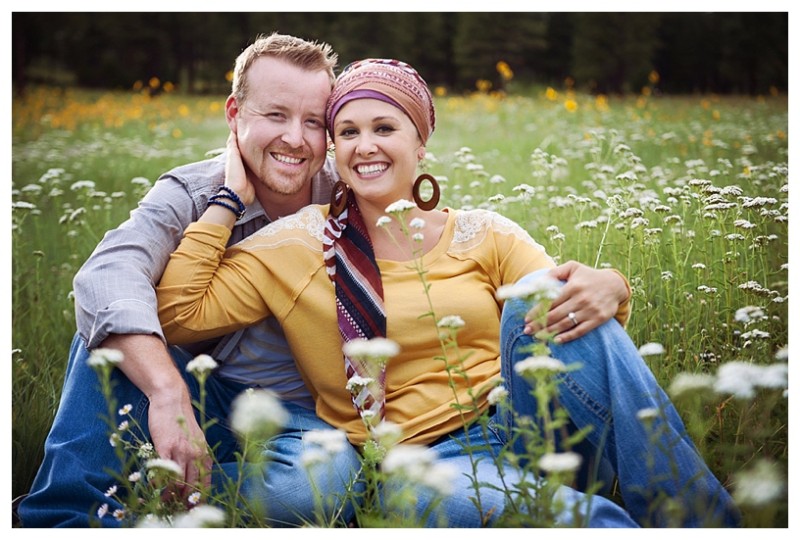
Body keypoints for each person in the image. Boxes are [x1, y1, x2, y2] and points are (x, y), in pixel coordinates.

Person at [16, 35, 626, 528]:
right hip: (186, 385)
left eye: (314, 121)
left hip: (293, 414)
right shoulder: (190, 191)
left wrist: (612, 280)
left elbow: (434, 241)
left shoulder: (350, 185)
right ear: (235, 115)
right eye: (275, 115)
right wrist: (168, 390)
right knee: (113, 325)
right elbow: (105, 279)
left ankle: (167, 495)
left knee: (328, 485)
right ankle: (63, 515)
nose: (296, 139)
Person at [155, 58, 740, 527]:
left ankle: (696, 519)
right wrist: (227, 198)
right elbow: (178, 314)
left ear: (421, 143)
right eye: (348, 133)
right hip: (425, 463)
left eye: (385, 128)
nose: (365, 147)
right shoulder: (297, 246)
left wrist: (612, 284)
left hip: (525, 422)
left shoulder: (483, 234)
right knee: (547, 516)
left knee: (541, 289)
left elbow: (574, 317)